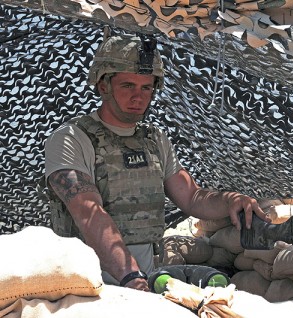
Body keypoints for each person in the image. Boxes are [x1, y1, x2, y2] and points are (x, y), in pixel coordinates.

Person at [44, 30, 270, 292]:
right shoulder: (72, 138)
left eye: (146, 87)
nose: (138, 97)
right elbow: (88, 213)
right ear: (103, 86)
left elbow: (192, 198)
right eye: (128, 86)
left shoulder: (154, 140)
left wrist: (230, 200)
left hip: (141, 281)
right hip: (86, 286)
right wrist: (130, 276)